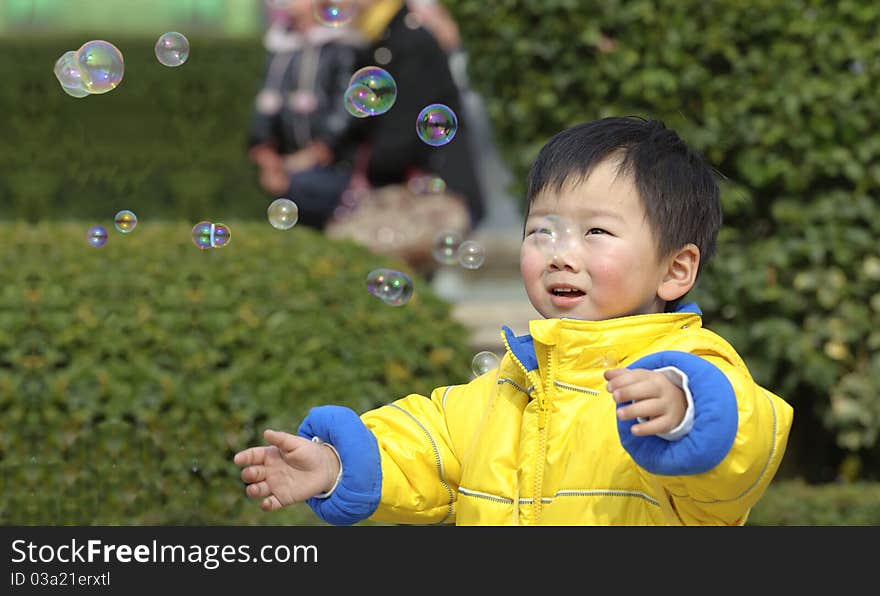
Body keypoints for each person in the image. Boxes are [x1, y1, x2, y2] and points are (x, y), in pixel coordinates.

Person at [233, 116, 794, 526]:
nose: (560, 253)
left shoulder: (690, 371)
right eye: (541, 230)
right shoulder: (503, 389)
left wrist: (687, 412)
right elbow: (421, 444)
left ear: (676, 270)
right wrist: (334, 464)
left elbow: (751, 436)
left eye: (595, 232)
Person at [247, 0, 362, 229]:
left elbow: (348, 107)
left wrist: (317, 152)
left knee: (300, 189)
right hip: (288, 162)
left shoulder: (340, 46)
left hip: (335, 166)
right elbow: (266, 103)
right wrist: (265, 151)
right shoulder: (280, 46)